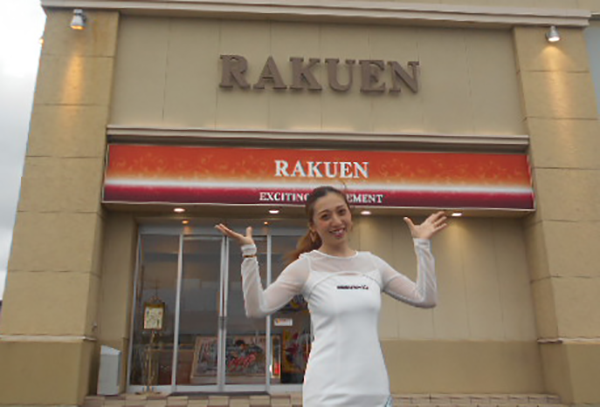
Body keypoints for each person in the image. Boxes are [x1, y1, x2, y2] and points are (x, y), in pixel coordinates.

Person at [215, 186, 447, 407]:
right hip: (327, 393)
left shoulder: (373, 264)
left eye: (341, 212)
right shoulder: (305, 267)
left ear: (350, 216)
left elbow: (425, 298)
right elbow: (258, 308)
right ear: (313, 225)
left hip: (375, 392)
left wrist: (422, 245)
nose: (336, 221)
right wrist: (249, 255)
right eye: (325, 216)